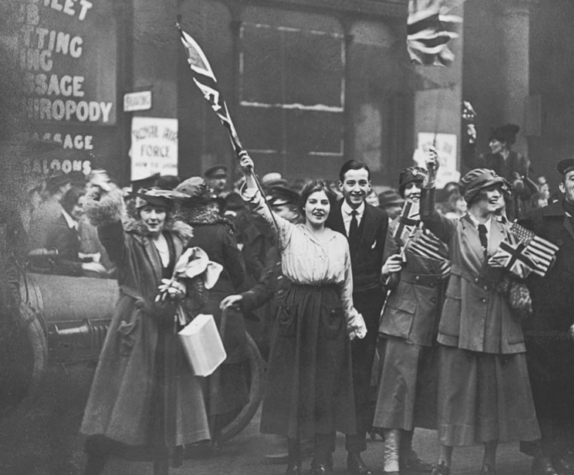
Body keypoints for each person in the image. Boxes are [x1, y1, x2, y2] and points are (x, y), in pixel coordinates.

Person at [236, 152, 367, 475]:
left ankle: (322, 458)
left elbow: (346, 284)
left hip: (329, 314)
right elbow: (259, 209)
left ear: (329, 208)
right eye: (314, 202)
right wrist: (250, 174)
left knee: (325, 386)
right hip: (295, 312)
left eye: (325, 203)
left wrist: (352, 318)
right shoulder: (287, 232)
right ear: (304, 207)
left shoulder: (339, 241)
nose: (320, 207)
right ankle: (294, 458)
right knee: (294, 386)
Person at [80, 179, 211, 475]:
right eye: (147, 210)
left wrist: (182, 292)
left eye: (159, 211)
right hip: (135, 329)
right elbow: (110, 235)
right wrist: (105, 201)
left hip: (168, 330)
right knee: (118, 402)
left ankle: (160, 469)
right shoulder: (129, 241)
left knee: (165, 408)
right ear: (138, 213)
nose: (153, 217)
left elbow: (193, 282)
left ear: (168, 214)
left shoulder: (178, 241)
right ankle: (94, 467)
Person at [421, 153, 540, 475]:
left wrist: (515, 274)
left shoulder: (511, 228)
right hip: (461, 321)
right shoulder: (455, 228)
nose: (497, 195)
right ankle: (444, 460)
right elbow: (427, 215)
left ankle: (489, 463)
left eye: (500, 191)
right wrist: (430, 179)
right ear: (474, 196)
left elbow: (532, 263)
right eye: (491, 190)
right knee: (454, 390)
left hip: (500, 321)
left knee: (492, 392)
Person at [518, 158, 574, 475]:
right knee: (544, 389)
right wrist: (519, 291)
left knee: (572, 388)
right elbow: (510, 259)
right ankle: (542, 455)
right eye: (573, 178)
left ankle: (563, 451)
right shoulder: (536, 219)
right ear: (562, 186)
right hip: (542, 320)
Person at [373, 166, 449, 475]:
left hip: (438, 313)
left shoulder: (444, 225)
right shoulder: (394, 227)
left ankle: (408, 452)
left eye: (421, 185)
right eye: (410, 187)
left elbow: (460, 256)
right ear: (403, 192)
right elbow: (384, 276)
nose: (415, 190)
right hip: (405, 311)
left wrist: (450, 269)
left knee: (421, 388)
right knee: (397, 388)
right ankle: (391, 456)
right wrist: (387, 272)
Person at [173, 177, 250, 437]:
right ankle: (214, 429)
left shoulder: (174, 229)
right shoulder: (221, 230)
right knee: (223, 372)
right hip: (217, 310)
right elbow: (239, 273)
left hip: (181, 307)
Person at [326, 160, 389, 475]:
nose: (357, 189)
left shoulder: (380, 218)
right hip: (330, 305)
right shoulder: (327, 212)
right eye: (350, 183)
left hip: (366, 306)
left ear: (369, 186)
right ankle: (322, 454)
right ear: (341, 186)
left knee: (360, 378)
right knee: (327, 376)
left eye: (362, 183)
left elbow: (380, 264)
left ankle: (355, 453)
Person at [27, 186, 108, 277]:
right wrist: (85, 265)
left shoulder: (69, 225)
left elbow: (67, 254)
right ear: (70, 204)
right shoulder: (62, 229)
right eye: (79, 206)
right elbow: (59, 263)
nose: (83, 210)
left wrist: (88, 258)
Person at [463, 123, 538, 219]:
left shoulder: (518, 160)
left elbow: (528, 192)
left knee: (515, 231)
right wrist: (472, 139)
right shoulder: (486, 159)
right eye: (490, 142)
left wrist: (520, 186)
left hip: (514, 211)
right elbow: (470, 161)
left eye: (494, 142)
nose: (490, 145)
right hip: (492, 209)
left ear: (504, 143)